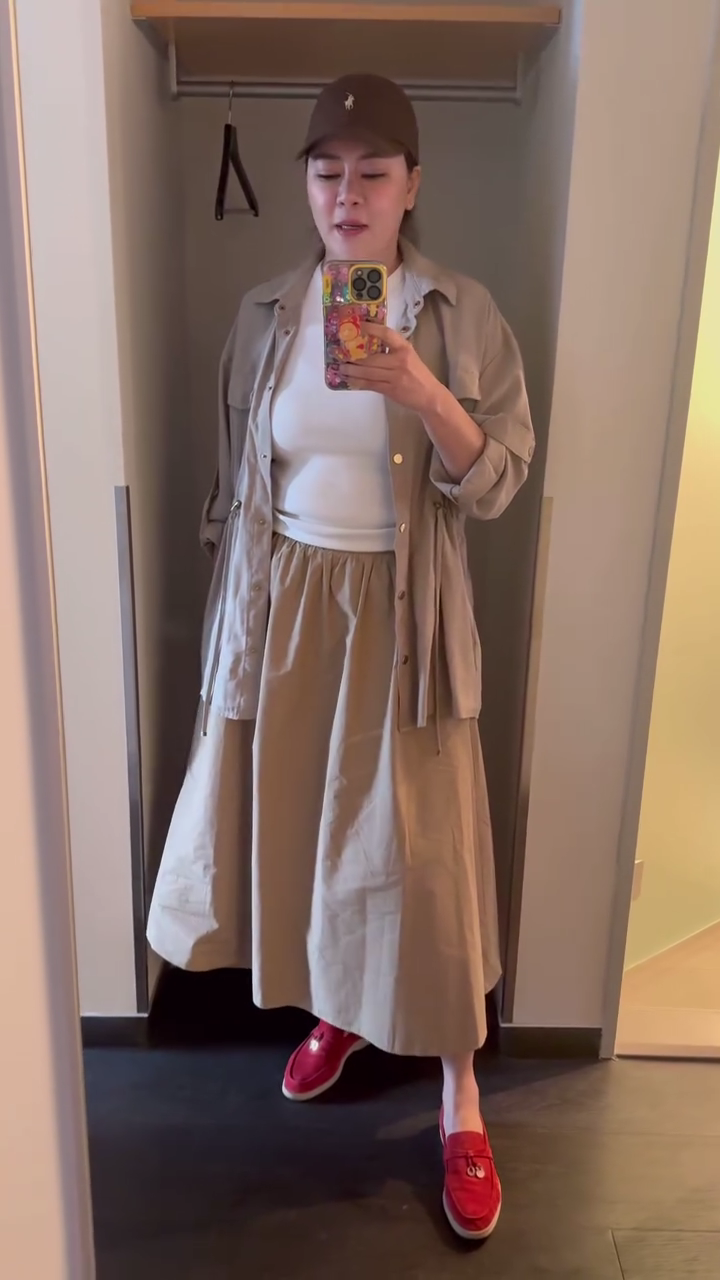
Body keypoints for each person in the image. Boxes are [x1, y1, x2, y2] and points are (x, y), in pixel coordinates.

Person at [147, 72, 535, 1243]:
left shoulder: (460, 312)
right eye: (327, 173)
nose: (347, 194)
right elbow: (239, 481)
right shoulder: (268, 312)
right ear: (307, 186)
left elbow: (498, 481)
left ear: (414, 185)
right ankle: (343, 1009)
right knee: (313, 834)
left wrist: (421, 389)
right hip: (287, 608)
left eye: (373, 172)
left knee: (429, 857)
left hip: (406, 613)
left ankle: (460, 1097)